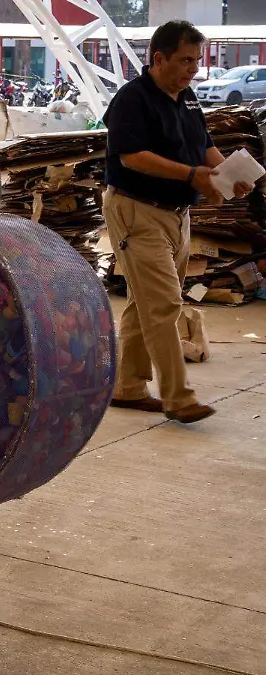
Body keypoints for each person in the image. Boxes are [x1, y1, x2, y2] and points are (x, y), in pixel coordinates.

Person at [102, 20, 254, 424]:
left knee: (145, 303)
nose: (193, 69)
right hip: (137, 210)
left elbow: (204, 147)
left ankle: (128, 388)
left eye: (197, 61)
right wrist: (192, 176)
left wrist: (228, 173)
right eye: (186, 60)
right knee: (165, 304)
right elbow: (131, 156)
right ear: (159, 58)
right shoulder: (132, 99)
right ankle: (178, 396)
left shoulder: (186, 100)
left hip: (177, 215)